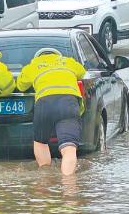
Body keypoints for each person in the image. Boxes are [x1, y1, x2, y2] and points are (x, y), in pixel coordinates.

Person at [17, 48, 86, 176]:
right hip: (68, 103)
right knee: (69, 148)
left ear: (38, 57)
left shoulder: (33, 66)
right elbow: (82, 72)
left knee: (41, 142)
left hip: (44, 104)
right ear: (57, 56)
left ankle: (45, 179)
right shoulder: (68, 62)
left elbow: (21, 85)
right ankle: (69, 186)